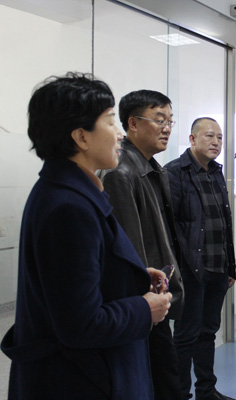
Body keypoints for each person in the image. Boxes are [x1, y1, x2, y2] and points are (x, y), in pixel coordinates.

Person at [0, 73, 172, 399]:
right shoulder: (69, 207)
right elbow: (80, 324)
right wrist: (143, 309)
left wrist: (129, 276)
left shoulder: (69, 191)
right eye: (110, 121)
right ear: (81, 137)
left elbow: (77, 282)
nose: (119, 133)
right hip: (76, 380)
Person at [98, 90, 185, 400]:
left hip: (154, 294)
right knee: (161, 381)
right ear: (132, 123)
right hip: (142, 299)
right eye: (159, 120)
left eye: (170, 121)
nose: (166, 128)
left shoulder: (151, 168)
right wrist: (143, 299)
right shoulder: (121, 173)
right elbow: (128, 248)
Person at [165, 117, 236, 400]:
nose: (216, 142)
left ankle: (206, 390)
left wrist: (231, 266)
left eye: (219, 137)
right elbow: (169, 227)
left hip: (218, 268)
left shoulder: (217, 172)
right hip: (190, 271)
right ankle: (180, 394)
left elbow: (225, 223)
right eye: (209, 136)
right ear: (192, 139)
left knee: (208, 332)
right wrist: (177, 272)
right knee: (186, 336)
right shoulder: (175, 172)